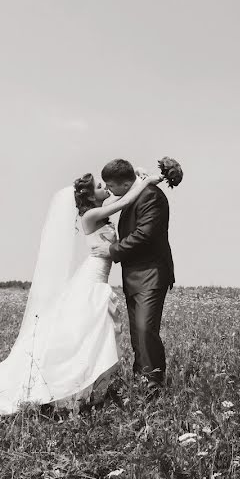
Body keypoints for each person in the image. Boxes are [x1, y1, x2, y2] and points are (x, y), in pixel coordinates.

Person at [0, 172, 163, 415]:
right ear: (89, 195)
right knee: (83, 331)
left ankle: (86, 385)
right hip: (92, 276)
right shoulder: (90, 215)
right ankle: (71, 382)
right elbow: (125, 201)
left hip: (98, 276)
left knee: (88, 332)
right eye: (100, 186)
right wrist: (145, 182)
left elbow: (125, 198)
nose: (105, 187)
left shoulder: (101, 210)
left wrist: (141, 179)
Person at [91, 158, 174, 390]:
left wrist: (111, 250)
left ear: (125, 184)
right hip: (133, 275)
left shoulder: (151, 197)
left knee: (146, 329)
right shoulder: (134, 194)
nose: (108, 190)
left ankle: (153, 385)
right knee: (138, 332)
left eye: (111, 186)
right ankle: (141, 380)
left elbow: (144, 235)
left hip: (151, 273)